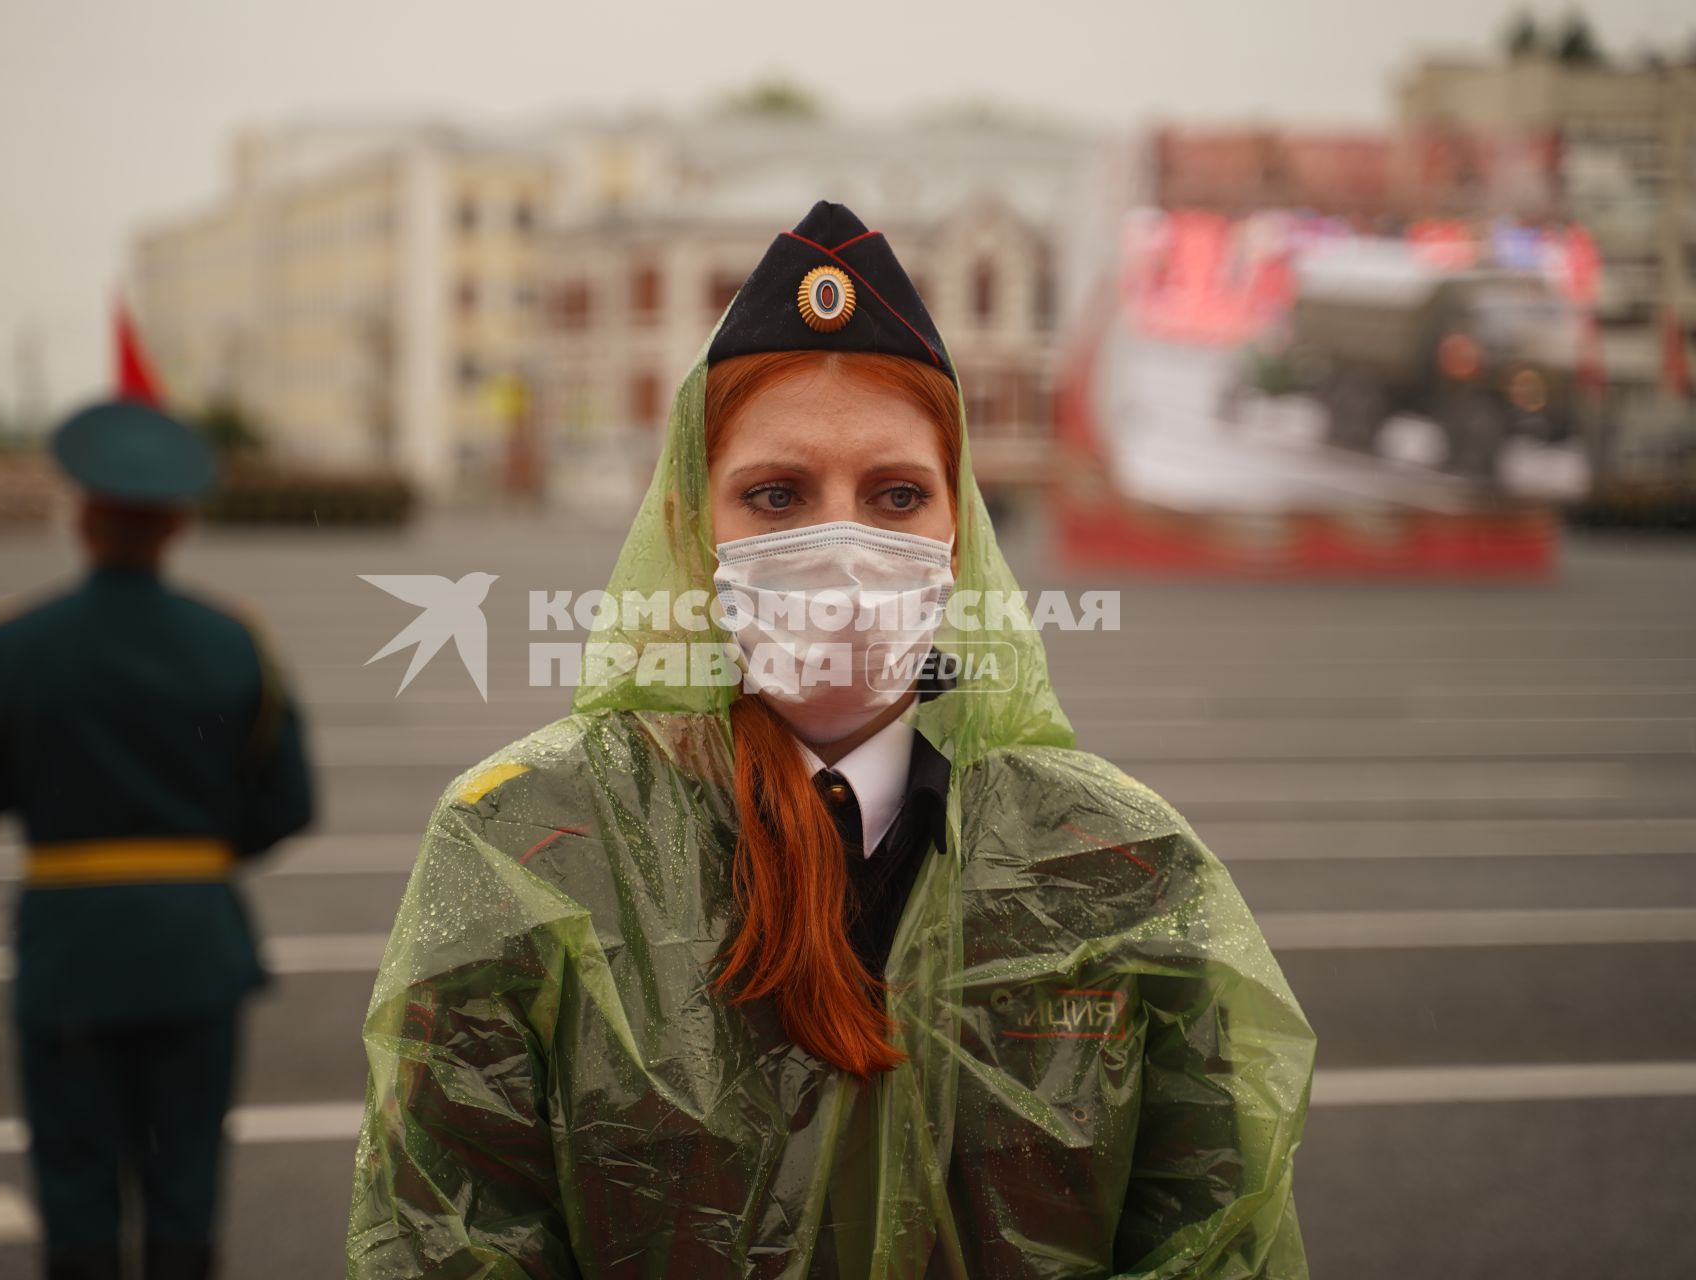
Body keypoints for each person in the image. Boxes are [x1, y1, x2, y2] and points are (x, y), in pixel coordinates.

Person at [346, 201, 1313, 1277]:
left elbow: (1216, 1244)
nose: (843, 549)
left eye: (896, 494)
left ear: (960, 533)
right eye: (776, 494)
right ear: (690, 528)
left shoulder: (1116, 866)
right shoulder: (528, 850)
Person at [0, 397, 315, 1280]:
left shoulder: (19, 641)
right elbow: (288, 801)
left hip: (72, 951)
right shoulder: (234, 640)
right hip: (196, 947)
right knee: (185, 1189)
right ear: (179, 522)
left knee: (76, 1189)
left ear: (82, 514)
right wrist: (195, 850)